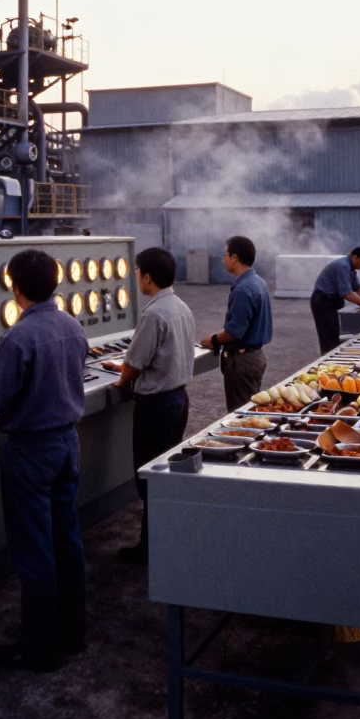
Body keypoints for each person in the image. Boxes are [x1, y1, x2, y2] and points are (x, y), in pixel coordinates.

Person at [0, 247, 88, 672]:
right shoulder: (71, 324)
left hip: (30, 451)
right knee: (67, 541)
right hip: (67, 443)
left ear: (14, 287)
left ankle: (39, 648)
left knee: (34, 553)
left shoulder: (17, 337)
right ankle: (73, 633)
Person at [101, 247, 196, 565]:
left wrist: (120, 378)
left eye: (138, 272)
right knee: (166, 472)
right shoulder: (180, 306)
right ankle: (166, 536)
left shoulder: (153, 313)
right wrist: (124, 366)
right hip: (178, 399)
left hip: (155, 405)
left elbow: (136, 363)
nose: (136, 278)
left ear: (147, 277)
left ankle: (151, 548)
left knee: (151, 476)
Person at [200, 236, 273, 411]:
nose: (223, 259)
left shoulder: (243, 289)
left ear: (235, 257)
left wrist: (214, 339)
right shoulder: (258, 282)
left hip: (242, 362)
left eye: (225, 255)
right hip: (255, 357)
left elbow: (235, 331)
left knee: (241, 417)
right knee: (251, 410)